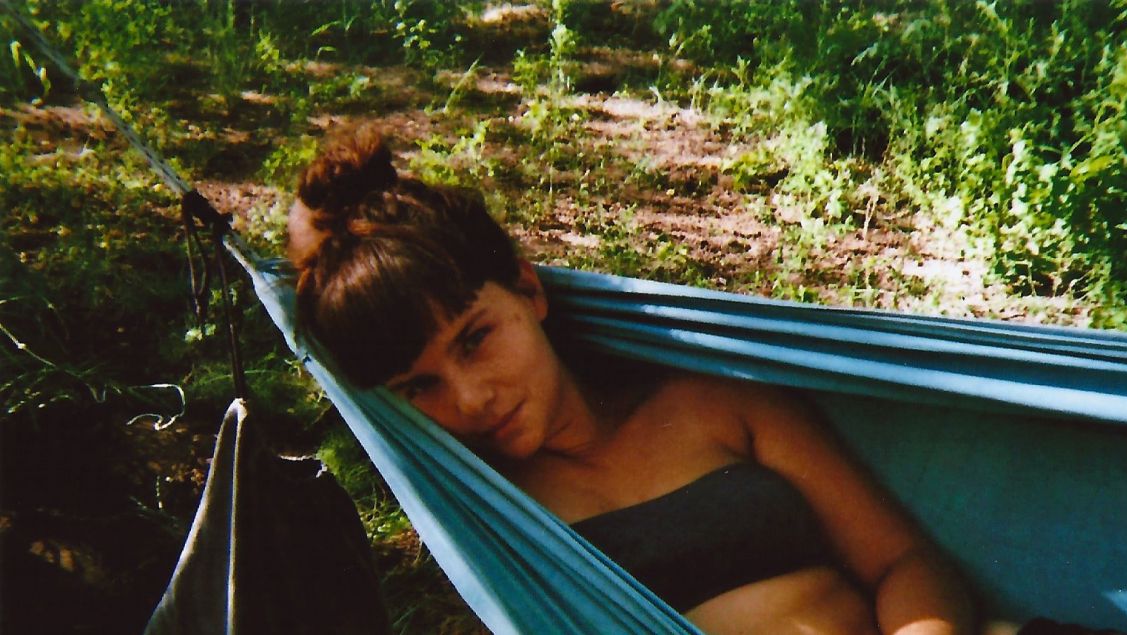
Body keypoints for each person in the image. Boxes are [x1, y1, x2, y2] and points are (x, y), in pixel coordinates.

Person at [286, 128, 974, 635]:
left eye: (476, 339)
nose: (470, 398)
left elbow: (904, 562)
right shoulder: (491, 516)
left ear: (529, 290)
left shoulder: (713, 403)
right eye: (418, 386)